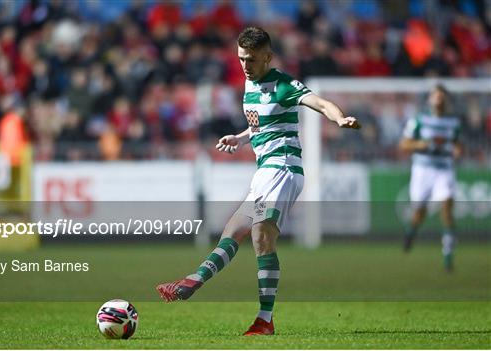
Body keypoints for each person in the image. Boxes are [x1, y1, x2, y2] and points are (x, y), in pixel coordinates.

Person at [156, 27, 360, 335]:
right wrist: (239, 139)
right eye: (240, 59)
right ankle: (193, 282)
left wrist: (339, 117)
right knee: (233, 230)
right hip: (264, 170)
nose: (244, 66)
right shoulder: (249, 86)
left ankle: (264, 319)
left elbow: (319, 103)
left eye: (250, 60)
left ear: (268, 56)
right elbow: (261, 125)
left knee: (260, 237)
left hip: (283, 168)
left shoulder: (284, 84)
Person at [399, 84, 462, 272]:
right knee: (419, 212)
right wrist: (421, 144)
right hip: (422, 170)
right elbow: (404, 144)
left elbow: (458, 145)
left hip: (444, 170)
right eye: (436, 96)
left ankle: (448, 255)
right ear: (429, 100)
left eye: (442, 97)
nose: (439, 100)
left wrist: (457, 151)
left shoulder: (453, 123)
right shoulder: (419, 120)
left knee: (447, 209)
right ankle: (412, 231)